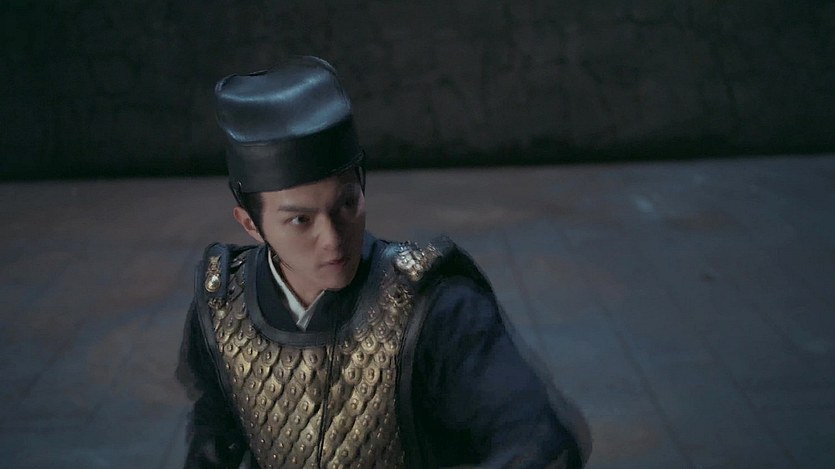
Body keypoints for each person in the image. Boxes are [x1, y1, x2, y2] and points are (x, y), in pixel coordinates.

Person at [176, 56, 590, 468]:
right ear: (251, 224)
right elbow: (214, 440)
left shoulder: (433, 306)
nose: (333, 239)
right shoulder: (224, 308)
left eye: (346, 204)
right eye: (301, 220)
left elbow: (537, 441)